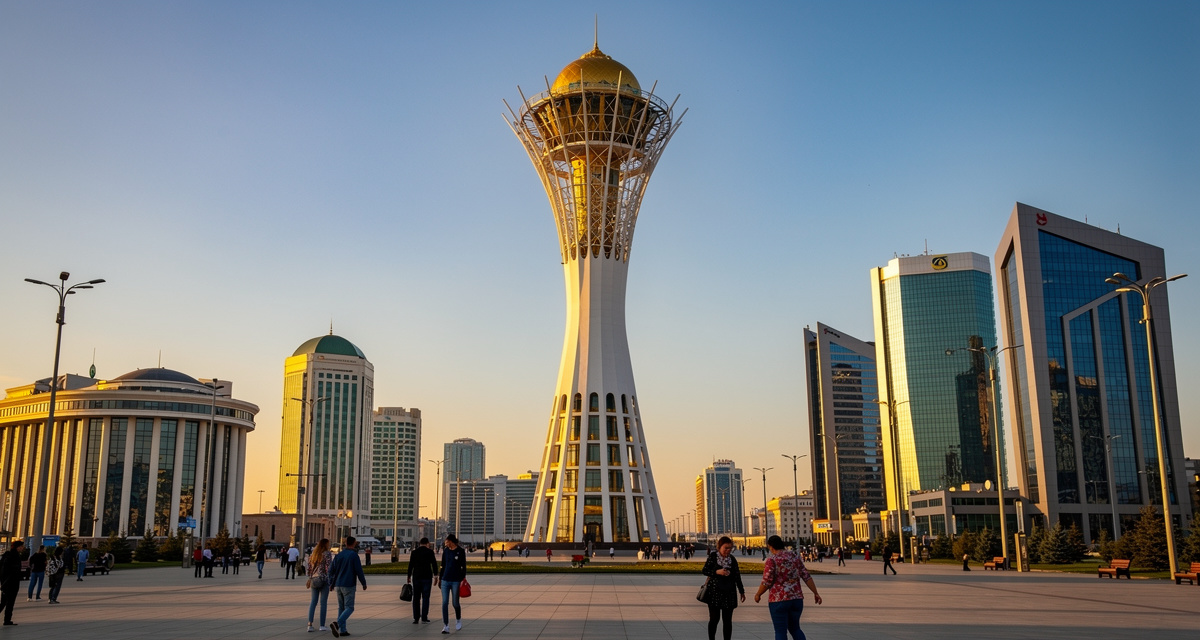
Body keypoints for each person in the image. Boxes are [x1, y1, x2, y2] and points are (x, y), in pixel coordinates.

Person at [754, 535, 822, 640]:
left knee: (780, 631)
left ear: (771, 547)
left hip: (779, 600)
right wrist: (815, 593)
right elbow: (806, 576)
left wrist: (758, 594)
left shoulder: (772, 560)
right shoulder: (794, 557)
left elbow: (767, 581)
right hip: (796, 599)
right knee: (795, 629)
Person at [701, 536, 745, 640]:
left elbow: (737, 576)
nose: (728, 550)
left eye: (730, 548)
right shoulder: (713, 557)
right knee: (714, 619)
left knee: (727, 621)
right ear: (719, 547)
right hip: (714, 593)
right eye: (726, 548)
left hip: (729, 593)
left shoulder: (732, 559)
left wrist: (741, 591)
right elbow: (705, 570)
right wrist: (717, 572)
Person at [328, 536, 366, 638]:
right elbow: (359, 571)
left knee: (341, 607)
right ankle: (337, 624)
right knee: (349, 607)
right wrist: (363, 583)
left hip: (339, 584)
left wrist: (331, 583)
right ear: (354, 543)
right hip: (349, 584)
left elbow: (331, 570)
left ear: (345, 544)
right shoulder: (354, 555)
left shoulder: (339, 555)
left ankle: (343, 630)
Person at [439, 534, 467, 634]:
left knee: (455, 603)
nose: (445, 543)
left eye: (447, 541)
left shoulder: (460, 551)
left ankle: (458, 619)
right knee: (444, 603)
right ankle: (446, 625)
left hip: (456, 580)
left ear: (451, 541)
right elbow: (442, 565)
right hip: (445, 580)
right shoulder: (446, 551)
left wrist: (462, 579)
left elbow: (463, 566)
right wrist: (440, 578)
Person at [407, 537, 439, 624]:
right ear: (427, 543)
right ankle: (424, 617)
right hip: (427, 577)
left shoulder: (414, 552)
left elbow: (411, 565)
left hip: (416, 577)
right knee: (426, 597)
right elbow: (434, 564)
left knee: (416, 598)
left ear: (420, 543)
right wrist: (436, 575)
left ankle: (416, 618)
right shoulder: (430, 552)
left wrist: (409, 576)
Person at [306, 538, 333, 633]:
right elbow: (329, 568)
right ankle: (322, 625)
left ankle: (310, 624)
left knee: (313, 602)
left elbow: (309, 568)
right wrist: (331, 580)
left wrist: (310, 577)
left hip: (314, 579)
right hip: (324, 580)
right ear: (325, 544)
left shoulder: (314, 554)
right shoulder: (327, 554)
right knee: (323, 603)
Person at [0, 540, 23, 626]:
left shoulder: (8, 555)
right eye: (21, 546)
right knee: (7, 602)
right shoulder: (13, 556)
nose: (22, 548)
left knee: (6, 602)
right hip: (11, 583)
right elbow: (12, 570)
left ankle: (7, 620)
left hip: (7, 583)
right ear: (17, 547)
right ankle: (7, 620)